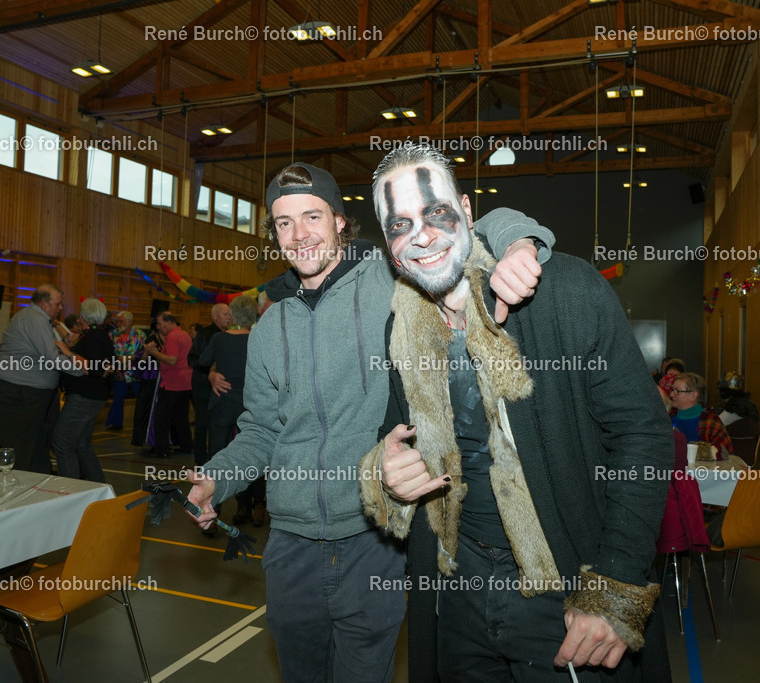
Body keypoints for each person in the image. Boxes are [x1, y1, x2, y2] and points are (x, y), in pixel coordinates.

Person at [185, 160, 554, 682]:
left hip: (373, 540)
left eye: (312, 217)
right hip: (289, 548)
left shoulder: (391, 282)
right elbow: (261, 431)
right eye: (284, 223)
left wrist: (522, 242)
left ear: (339, 220)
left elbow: (471, 227)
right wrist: (215, 480)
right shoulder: (270, 329)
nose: (299, 234)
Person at [357, 143, 672, 681]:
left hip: (566, 586)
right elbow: (397, 434)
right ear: (388, 245)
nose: (422, 236)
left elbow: (642, 435)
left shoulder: (565, 291)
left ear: (466, 209)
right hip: (454, 588)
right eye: (400, 224)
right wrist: (388, 472)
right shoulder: (400, 329)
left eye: (436, 214)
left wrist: (614, 584)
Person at [0, 284, 83, 472]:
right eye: (58, 304)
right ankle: (15, 492)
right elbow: (52, 358)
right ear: (44, 303)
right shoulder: (35, 319)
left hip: (24, 391)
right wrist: (86, 369)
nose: (61, 308)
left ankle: (36, 487)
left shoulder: (37, 319)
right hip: (15, 391)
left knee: (36, 445)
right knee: (21, 447)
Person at [199, 295, 260, 528]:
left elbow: (202, 361)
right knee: (251, 456)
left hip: (223, 403)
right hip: (250, 406)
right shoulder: (257, 338)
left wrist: (213, 373)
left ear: (233, 315)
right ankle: (250, 505)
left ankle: (212, 508)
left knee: (215, 456)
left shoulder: (219, 338)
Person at [53, 298, 114, 482]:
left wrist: (67, 352)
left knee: (62, 443)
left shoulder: (93, 336)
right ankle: (97, 487)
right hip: (93, 396)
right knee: (81, 444)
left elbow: (94, 368)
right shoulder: (100, 335)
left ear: (83, 316)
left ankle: (70, 492)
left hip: (84, 397)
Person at [143, 312, 193, 457]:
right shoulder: (185, 334)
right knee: (181, 416)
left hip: (172, 382)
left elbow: (171, 360)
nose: (158, 327)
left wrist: (153, 352)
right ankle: (186, 444)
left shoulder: (172, 336)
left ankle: (162, 449)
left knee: (161, 416)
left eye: (160, 324)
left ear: (169, 322)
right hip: (185, 381)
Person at [188, 303, 232, 466]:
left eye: (229, 314)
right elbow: (193, 359)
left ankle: (217, 458)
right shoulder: (205, 335)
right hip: (202, 385)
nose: (229, 317)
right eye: (225, 314)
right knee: (202, 422)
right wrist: (210, 372)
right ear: (215, 316)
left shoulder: (228, 334)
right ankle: (200, 461)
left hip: (219, 386)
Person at [668, 372, 734, 459]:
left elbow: (725, 452)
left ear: (693, 395)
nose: (671, 394)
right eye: (672, 390)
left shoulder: (710, 420)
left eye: (677, 391)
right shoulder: (668, 418)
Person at [105, 311, 147, 431]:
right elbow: (108, 350)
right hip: (119, 372)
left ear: (129, 322)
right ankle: (116, 423)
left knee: (141, 398)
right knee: (118, 398)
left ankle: (143, 422)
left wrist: (130, 358)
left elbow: (144, 352)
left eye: (121, 321)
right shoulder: (113, 335)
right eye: (117, 321)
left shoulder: (140, 335)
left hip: (136, 372)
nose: (118, 323)